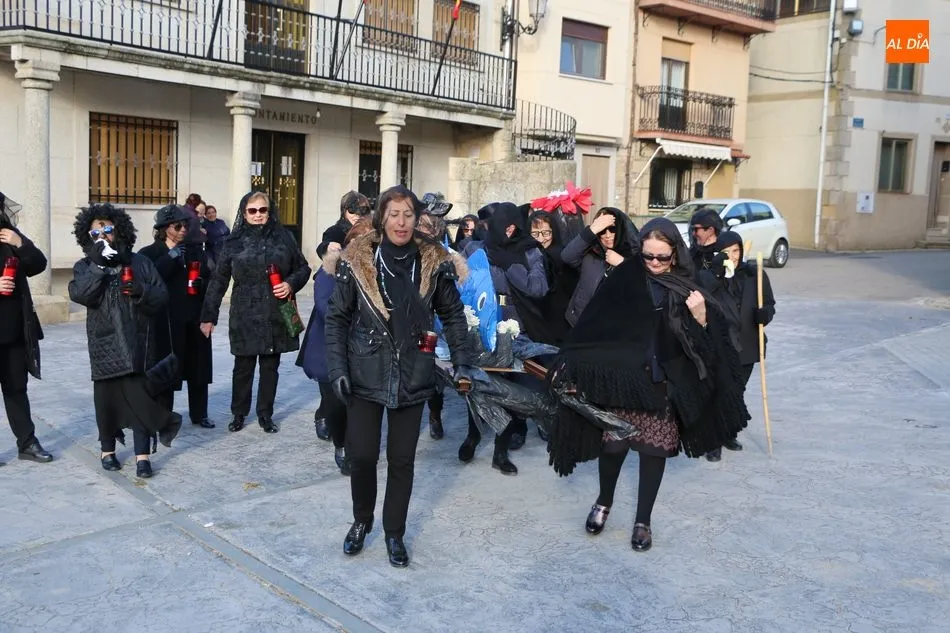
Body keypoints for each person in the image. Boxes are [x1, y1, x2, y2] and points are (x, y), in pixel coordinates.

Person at [546, 217, 749, 552]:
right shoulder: (626, 276)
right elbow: (596, 322)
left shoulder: (689, 286)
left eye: (662, 257)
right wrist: (572, 360)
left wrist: (701, 318)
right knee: (613, 448)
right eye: (648, 255)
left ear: (675, 254)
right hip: (625, 382)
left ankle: (643, 521)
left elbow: (711, 345)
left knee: (653, 454)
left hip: (661, 383)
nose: (654, 262)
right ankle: (604, 501)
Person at [325, 185, 474, 568]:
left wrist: (462, 360)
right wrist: (338, 368)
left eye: (408, 214)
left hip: (414, 370)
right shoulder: (357, 260)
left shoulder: (434, 261)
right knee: (361, 456)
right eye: (394, 214)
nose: (401, 222)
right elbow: (337, 318)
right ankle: (362, 520)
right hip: (365, 370)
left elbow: (453, 315)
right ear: (381, 218)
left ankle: (395, 532)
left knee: (402, 459)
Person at [68, 204, 182, 478]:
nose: (102, 235)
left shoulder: (139, 262)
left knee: (139, 399)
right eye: (95, 232)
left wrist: (141, 290)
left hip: (138, 341)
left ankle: (143, 456)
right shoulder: (85, 266)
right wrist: (98, 266)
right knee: (106, 401)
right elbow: (80, 294)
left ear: (118, 230)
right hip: (104, 343)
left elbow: (162, 295)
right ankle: (107, 451)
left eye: (107, 229)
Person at [200, 191, 312, 434]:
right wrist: (209, 316)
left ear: (269, 212)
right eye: (253, 210)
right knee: (243, 366)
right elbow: (219, 280)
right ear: (244, 213)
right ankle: (239, 413)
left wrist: (290, 284)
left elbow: (303, 268)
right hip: (245, 313)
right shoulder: (233, 242)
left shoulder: (284, 237)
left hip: (275, 311)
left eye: (263, 210)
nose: (258, 215)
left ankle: (265, 414)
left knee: (270, 367)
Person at [460, 202, 548, 471]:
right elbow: (461, 280)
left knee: (508, 387)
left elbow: (538, 287)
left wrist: (511, 265)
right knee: (477, 382)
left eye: (514, 226)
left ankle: (501, 451)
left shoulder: (530, 251)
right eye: (504, 225)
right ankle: (473, 436)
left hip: (515, 325)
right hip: (481, 321)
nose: (509, 230)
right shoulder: (477, 249)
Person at [298, 219, 375, 476]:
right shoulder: (331, 270)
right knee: (335, 403)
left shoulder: (377, 270)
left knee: (358, 405)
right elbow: (325, 308)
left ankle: (353, 448)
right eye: (359, 243)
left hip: (363, 350)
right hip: (330, 347)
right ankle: (340, 442)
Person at [699, 230, 776, 461]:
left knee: (737, 392)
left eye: (735, 251)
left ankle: (728, 433)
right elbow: (701, 294)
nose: (732, 256)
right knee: (719, 393)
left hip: (747, 346)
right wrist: (717, 271)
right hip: (719, 346)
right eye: (725, 252)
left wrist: (765, 315)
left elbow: (769, 304)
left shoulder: (755, 275)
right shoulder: (709, 276)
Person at [139, 205, 215, 429]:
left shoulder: (194, 251)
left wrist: (201, 283)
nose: (183, 230)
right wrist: (170, 257)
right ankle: (164, 416)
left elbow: (210, 280)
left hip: (194, 316)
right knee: (167, 369)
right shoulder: (149, 253)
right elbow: (149, 280)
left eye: (185, 226)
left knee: (198, 368)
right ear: (164, 229)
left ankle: (200, 414)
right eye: (177, 226)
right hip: (166, 321)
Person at [0, 192, 53, 465]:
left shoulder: (8, 235)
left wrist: (19, 243)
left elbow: (38, 264)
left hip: (13, 328)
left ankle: (27, 443)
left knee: (16, 387)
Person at [561, 207, 639, 328]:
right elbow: (567, 257)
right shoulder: (591, 251)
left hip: (613, 327)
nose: (607, 235)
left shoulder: (634, 254)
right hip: (581, 322)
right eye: (602, 230)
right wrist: (592, 230)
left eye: (612, 229)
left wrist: (622, 263)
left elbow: (642, 283)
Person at [317, 191, 372, 259]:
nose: (357, 214)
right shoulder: (335, 231)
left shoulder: (371, 231)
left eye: (362, 209)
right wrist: (327, 247)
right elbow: (324, 245)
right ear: (344, 211)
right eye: (352, 209)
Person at [688, 207, 724, 272]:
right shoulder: (694, 252)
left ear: (710, 230)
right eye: (692, 229)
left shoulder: (726, 253)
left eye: (695, 229)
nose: (693, 233)